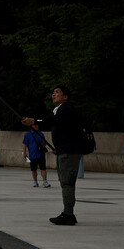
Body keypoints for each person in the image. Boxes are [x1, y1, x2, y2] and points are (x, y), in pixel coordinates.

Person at [22, 85, 83, 225]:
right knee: (65, 182)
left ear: (65, 97)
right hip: (64, 151)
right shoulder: (60, 111)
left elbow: (54, 121)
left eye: (57, 92)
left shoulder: (66, 109)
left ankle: (68, 214)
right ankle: (67, 212)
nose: (53, 95)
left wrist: (34, 121)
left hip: (69, 153)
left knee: (67, 182)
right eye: (53, 93)